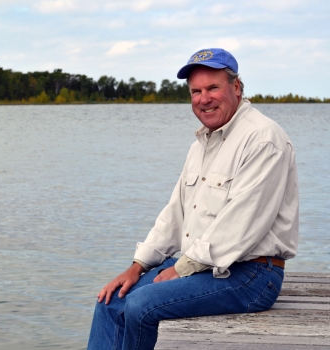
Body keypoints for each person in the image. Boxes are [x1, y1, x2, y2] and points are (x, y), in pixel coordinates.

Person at [87, 48, 299, 350]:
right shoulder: (200, 145)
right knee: (110, 301)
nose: (203, 99)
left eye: (213, 87)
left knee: (139, 305)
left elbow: (239, 227)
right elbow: (174, 215)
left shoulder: (263, 139)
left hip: (252, 275)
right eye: (195, 91)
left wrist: (181, 269)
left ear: (236, 87)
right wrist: (137, 267)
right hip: (203, 267)